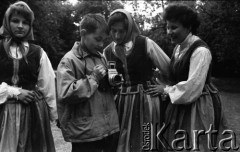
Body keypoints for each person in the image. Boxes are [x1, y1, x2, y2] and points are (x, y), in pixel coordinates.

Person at [155, 3, 228, 151]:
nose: (169, 32)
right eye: (168, 27)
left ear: (188, 27)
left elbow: (192, 88)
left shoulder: (200, 51)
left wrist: (166, 90)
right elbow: (177, 73)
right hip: (180, 103)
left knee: (195, 144)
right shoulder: (178, 47)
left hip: (198, 104)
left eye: (174, 27)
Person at [104, 9, 170, 152]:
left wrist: (166, 87)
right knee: (123, 139)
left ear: (129, 29)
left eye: (121, 31)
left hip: (146, 100)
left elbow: (168, 68)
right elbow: (110, 77)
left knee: (147, 137)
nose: (117, 35)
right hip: (121, 103)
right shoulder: (108, 51)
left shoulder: (145, 43)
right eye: (113, 31)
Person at [56, 13, 119, 152]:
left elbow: (104, 91)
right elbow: (65, 93)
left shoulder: (101, 57)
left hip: (108, 129)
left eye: (104, 40)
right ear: (83, 33)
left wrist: (112, 83)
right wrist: (94, 78)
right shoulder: (69, 60)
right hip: (86, 134)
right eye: (98, 39)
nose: (101, 45)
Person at [0, 1, 57, 152]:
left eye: (25, 22)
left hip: (33, 114)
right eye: (15, 21)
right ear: (7, 21)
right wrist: (15, 92)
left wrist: (55, 116)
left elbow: (48, 85)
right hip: (3, 112)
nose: (20, 26)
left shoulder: (37, 52)